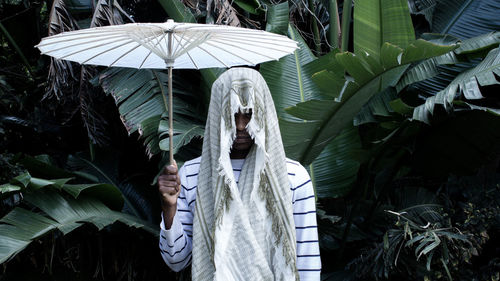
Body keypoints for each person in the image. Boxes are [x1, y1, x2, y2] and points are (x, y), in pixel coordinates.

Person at [158, 68, 321, 281]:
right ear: (217, 114)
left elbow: (308, 265)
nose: (241, 125)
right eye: (232, 114)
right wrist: (169, 208)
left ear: (263, 113)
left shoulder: (294, 178)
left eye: (249, 113)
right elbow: (177, 261)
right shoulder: (191, 175)